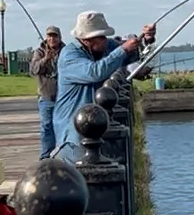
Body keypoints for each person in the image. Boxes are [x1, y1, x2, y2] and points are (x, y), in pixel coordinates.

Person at [53, 11, 155, 158]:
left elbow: (130, 54)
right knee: (81, 178)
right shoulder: (69, 55)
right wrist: (123, 49)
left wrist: (146, 39)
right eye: (101, 37)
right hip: (72, 137)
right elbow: (95, 72)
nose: (106, 40)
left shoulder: (102, 47)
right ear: (87, 40)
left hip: (93, 130)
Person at [30, 25, 64, 158]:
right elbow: (34, 70)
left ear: (59, 37)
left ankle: (62, 154)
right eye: (49, 36)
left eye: (55, 36)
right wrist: (46, 59)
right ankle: (46, 157)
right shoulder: (39, 52)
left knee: (62, 125)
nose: (52, 39)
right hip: (46, 96)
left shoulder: (65, 51)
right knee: (46, 126)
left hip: (62, 96)